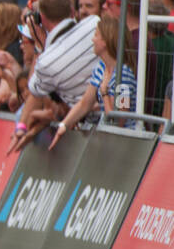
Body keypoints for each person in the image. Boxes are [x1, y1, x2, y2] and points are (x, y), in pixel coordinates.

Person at [9, 0, 99, 153]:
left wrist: (39, 45)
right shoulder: (95, 23)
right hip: (94, 124)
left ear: (40, 18)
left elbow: (33, 91)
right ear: (73, 11)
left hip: (86, 132)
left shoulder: (46, 62)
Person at [51, 14, 138, 148]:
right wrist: (64, 124)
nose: (92, 40)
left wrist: (104, 93)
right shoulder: (100, 67)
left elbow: (119, 120)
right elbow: (85, 103)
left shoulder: (124, 75)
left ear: (105, 41)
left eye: (96, 35)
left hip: (124, 144)